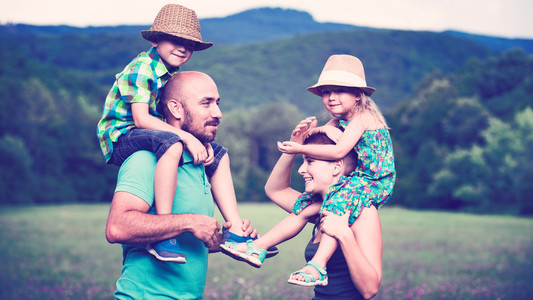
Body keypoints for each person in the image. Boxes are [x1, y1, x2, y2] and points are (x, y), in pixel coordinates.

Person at [221, 54, 394, 291]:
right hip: (354, 182)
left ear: (357, 95)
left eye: (340, 90)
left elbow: (340, 150)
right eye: (326, 92)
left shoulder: (364, 118)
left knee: (331, 207)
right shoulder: (338, 124)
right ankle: (258, 247)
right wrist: (299, 141)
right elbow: (276, 189)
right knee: (304, 208)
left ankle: (317, 265)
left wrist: (300, 147)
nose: (331, 97)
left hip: (373, 181)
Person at [96, 4, 249, 262]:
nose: (182, 47)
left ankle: (235, 232)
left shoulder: (170, 73)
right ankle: (163, 233)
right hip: (121, 134)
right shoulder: (143, 67)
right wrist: (187, 137)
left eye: (188, 44)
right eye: (174, 40)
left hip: (147, 130)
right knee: (174, 144)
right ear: (155, 40)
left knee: (219, 153)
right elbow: (141, 118)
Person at [105, 71, 257, 299]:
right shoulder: (146, 159)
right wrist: (189, 222)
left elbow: (192, 240)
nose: (218, 113)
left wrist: (224, 237)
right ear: (176, 109)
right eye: (206, 103)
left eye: (217, 103)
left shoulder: (203, 165)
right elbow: (117, 227)